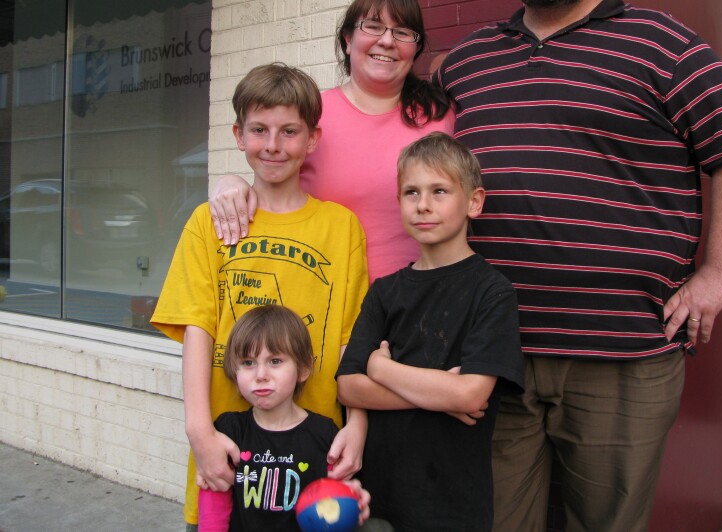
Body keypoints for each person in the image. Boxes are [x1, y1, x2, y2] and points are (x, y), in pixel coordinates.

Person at [434, 0, 722, 531]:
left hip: (624, 353)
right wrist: (252, 180)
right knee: (497, 519)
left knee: (606, 524)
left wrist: (718, 273)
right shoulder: (465, 65)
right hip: (494, 351)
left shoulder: (662, 44)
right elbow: (385, 153)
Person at [151, 63, 370, 529]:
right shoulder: (208, 222)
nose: (273, 145)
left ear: (312, 139)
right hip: (228, 455)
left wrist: (357, 425)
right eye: (259, 130)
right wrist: (200, 433)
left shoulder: (341, 226)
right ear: (238, 134)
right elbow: (198, 328)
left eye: (289, 131)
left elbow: (354, 340)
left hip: (314, 459)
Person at [336, 132, 524, 531]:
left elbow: (470, 394)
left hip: (453, 502)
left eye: (439, 191)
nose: (423, 205)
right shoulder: (384, 291)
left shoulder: (493, 292)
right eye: (411, 192)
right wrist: (440, 394)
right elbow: (349, 387)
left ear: (473, 201)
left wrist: (382, 370)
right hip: (380, 493)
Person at [209, 0, 455, 282]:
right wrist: (231, 183)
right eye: (374, 27)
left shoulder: (440, 118)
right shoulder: (311, 116)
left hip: (415, 304)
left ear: (415, 48)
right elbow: (272, 180)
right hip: (319, 298)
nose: (387, 41)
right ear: (348, 39)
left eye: (402, 32)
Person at [197, 304, 372, 531]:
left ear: (303, 368)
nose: (261, 375)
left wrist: (352, 499)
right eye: (248, 363)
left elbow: (337, 507)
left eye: (275, 361)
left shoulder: (324, 434)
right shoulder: (228, 431)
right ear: (234, 370)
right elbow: (213, 508)